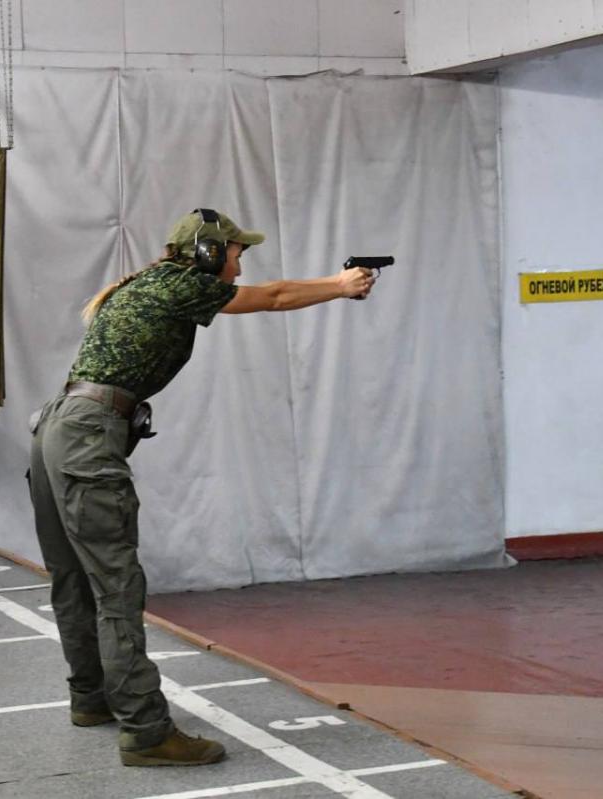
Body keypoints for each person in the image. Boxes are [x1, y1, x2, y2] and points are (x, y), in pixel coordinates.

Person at [27, 208, 375, 766]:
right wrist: (340, 285)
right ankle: (145, 732)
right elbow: (278, 296)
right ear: (210, 253)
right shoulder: (184, 285)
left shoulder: (145, 282)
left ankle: (91, 698)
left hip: (57, 430)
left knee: (73, 579)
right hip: (88, 436)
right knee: (115, 587)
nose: (240, 264)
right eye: (237, 253)